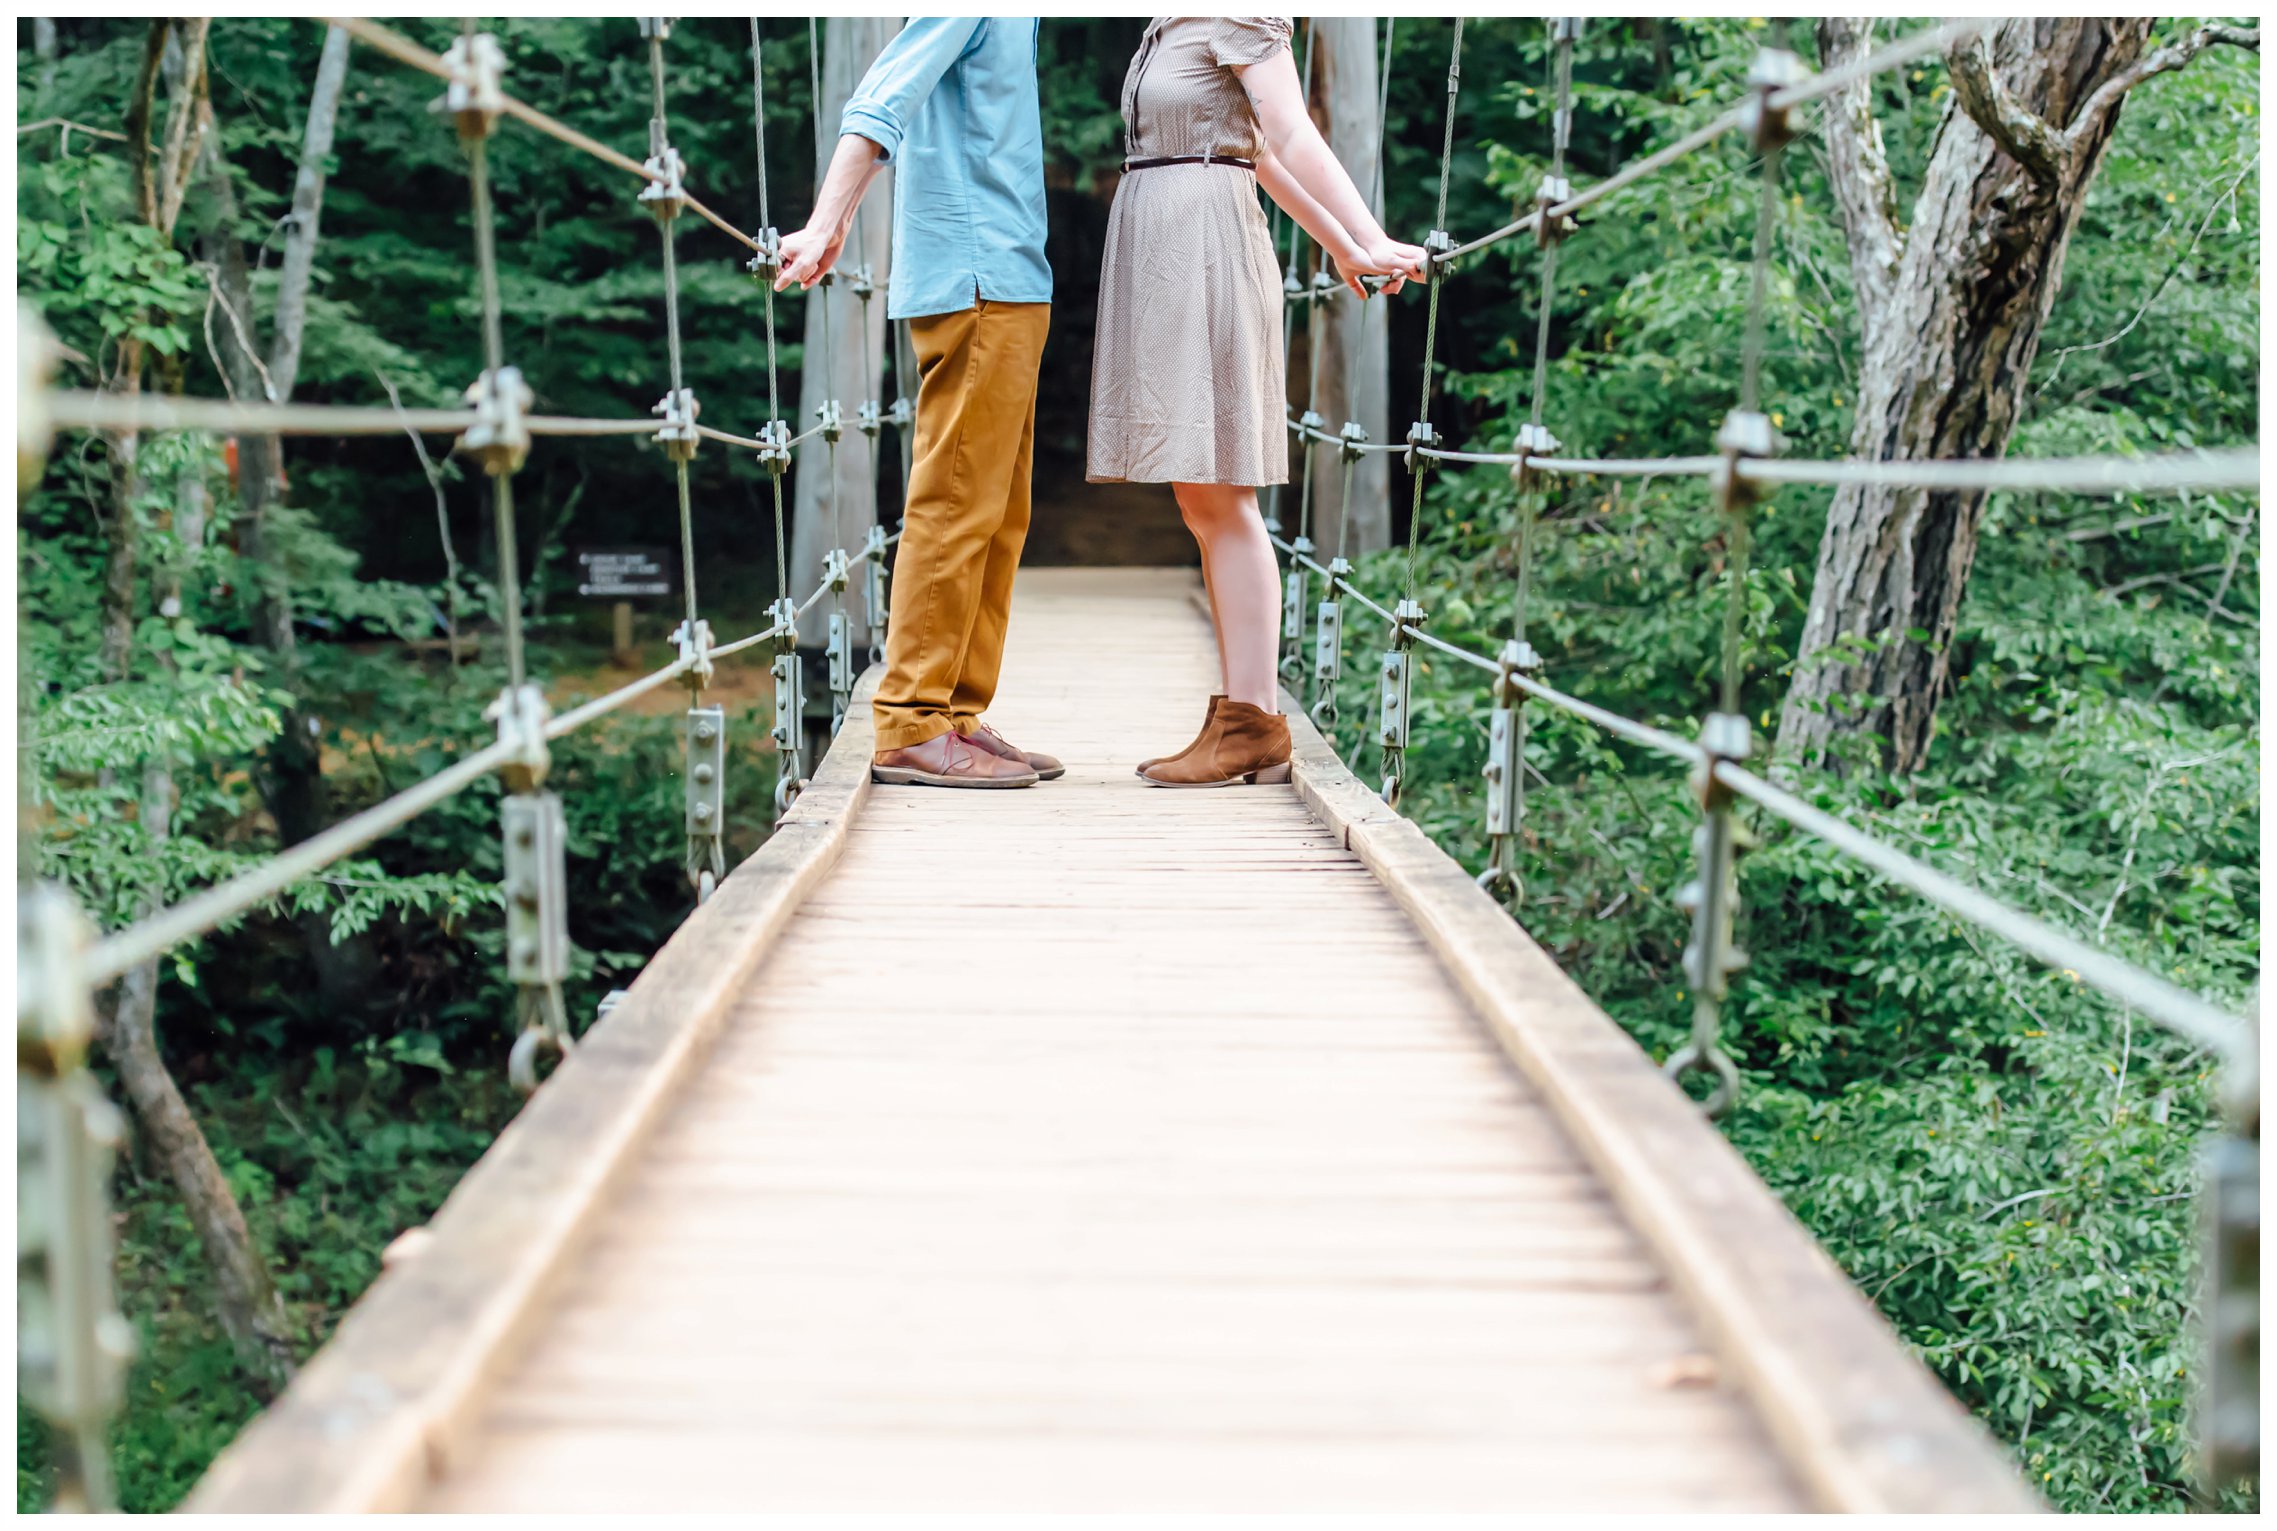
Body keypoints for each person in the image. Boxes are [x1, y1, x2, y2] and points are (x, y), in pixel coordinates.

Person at [1089, 17, 1426, 788]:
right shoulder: (1168, 22)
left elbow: (1289, 131)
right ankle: (1241, 716)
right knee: (1200, 496)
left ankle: (1251, 718)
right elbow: (1261, 153)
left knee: (1218, 489)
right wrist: (1337, 245)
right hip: (1166, 239)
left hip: (1203, 244)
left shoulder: (1234, 11)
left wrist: (1367, 236)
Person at [777, 18, 1061, 790]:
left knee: (999, 512)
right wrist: (827, 224)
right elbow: (881, 100)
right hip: (974, 273)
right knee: (958, 502)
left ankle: (954, 714)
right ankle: (909, 719)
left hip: (1011, 274)